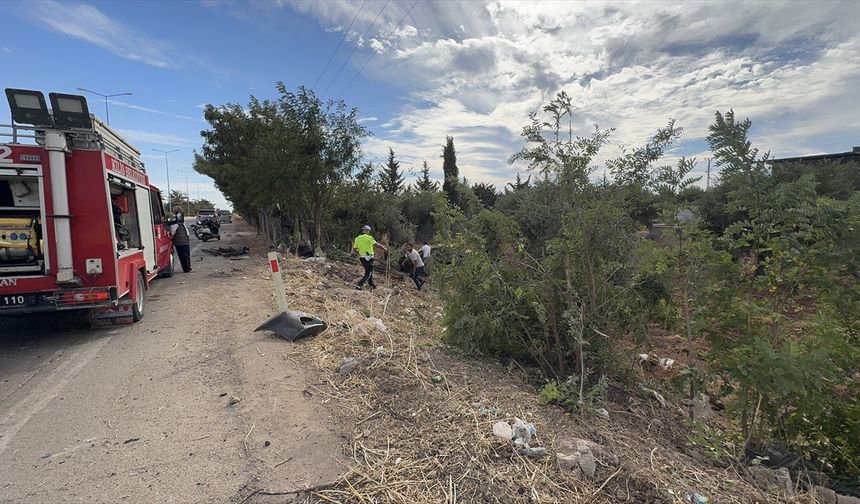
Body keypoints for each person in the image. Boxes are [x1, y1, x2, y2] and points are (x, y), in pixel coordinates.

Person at [352, 225, 387, 290]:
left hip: (362, 258)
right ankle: (359, 285)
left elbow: (354, 250)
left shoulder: (357, 238)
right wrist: (384, 249)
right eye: (368, 231)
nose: (369, 232)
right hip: (369, 257)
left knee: (368, 271)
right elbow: (376, 244)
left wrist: (360, 253)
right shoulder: (369, 237)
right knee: (368, 273)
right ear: (366, 231)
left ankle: (372, 285)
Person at [167, 205, 192, 273]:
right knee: (185, 254)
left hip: (181, 239)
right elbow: (173, 229)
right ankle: (187, 268)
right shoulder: (176, 219)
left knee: (183, 254)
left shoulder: (177, 218)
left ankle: (187, 268)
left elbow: (172, 229)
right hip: (182, 238)